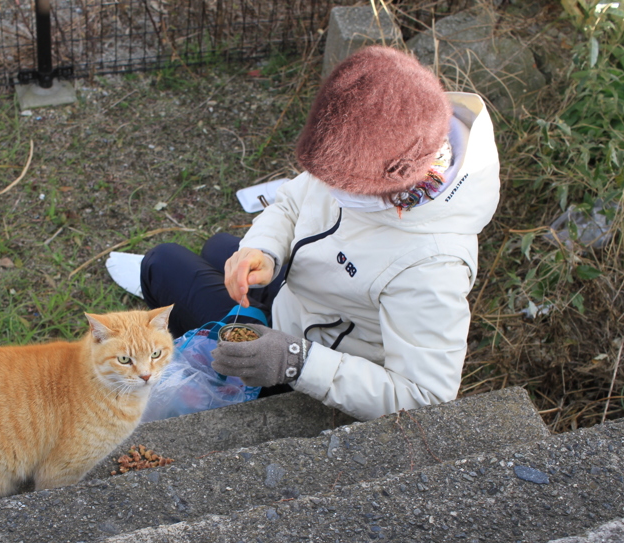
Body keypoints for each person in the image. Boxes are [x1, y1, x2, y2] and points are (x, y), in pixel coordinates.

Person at [137, 46, 500, 421]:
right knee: (218, 247)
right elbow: (293, 202)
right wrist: (264, 250)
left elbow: (426, 396)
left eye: (341, 185)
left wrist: (297, 363)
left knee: (161, 264)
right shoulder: (375, 137)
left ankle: (221, 388)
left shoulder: (432, 265)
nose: (327, 187)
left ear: (390, 183)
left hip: (310, 365)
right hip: (298, 301)